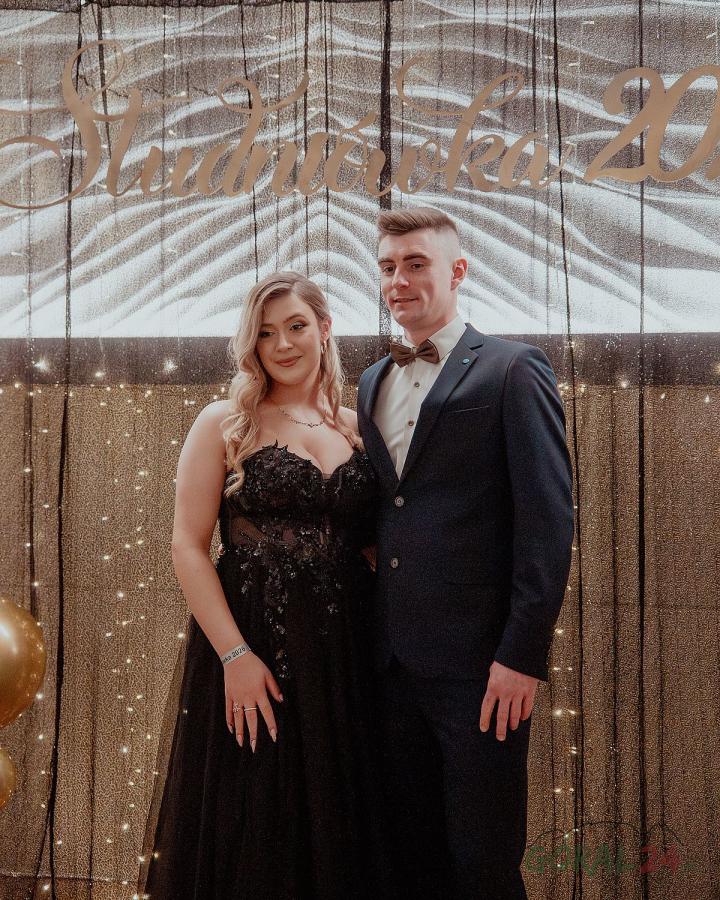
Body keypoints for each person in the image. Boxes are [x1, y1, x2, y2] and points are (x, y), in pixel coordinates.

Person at [140, 272, 393, 900]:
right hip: (257, 645)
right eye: (266, 333)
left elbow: (375, 539)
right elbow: (188, 546)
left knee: (344, 817)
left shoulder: (357, 426)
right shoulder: (225, 422)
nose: (282, 344)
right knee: (258, 816)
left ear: (324, 328)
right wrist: (234, 656)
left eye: (296, 326)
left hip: (347, 655)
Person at [356, 207, 575, 900]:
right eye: (388, 267)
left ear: (457, 271)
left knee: (483, 863)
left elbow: (547, 523)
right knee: (410, 861)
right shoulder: (370, 381)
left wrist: (522, 656)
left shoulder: (513, 368)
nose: (398, 280)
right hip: (389, 667)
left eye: (415, 264)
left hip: (482, 671)